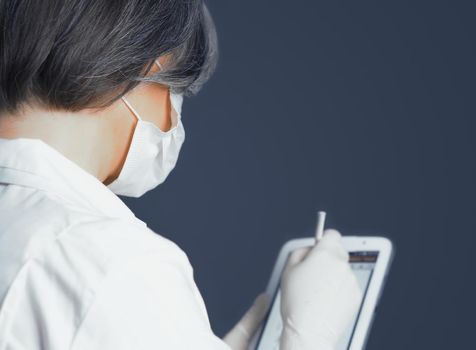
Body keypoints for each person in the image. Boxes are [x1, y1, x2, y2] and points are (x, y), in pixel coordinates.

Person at [0, 1, 362, 349]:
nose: (174, 117)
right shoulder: (115, 262)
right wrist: (310, 339)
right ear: (151, 66)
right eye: (177, 91)